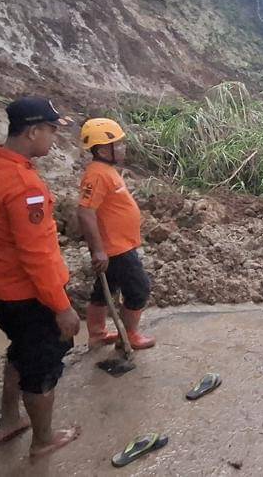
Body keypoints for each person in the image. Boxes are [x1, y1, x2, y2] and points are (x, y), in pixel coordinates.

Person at [0, 96, 81, 459]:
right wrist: (61, 307)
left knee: (21, 349)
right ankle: (43, 440)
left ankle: (10, 419)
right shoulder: (25, 187)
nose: (54, 140)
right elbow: (37, 255)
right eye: (51, 132)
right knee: (42, 364)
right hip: (25, 293)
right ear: (32, 132)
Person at [77, 118, 155, 350]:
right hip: (116, 248)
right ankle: (129, 335)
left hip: (116, 245)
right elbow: (85, 212)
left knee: (105, 290)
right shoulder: (97, 174)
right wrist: (99, 250)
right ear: (102, 149)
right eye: (117, 144)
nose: (122, 148)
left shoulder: (105, 170)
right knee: (139, 289)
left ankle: (98, 335)